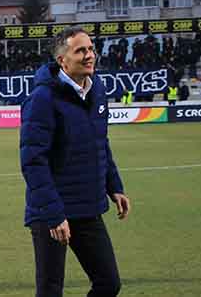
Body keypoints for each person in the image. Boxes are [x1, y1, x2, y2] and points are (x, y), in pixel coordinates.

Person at [20, 26, 129, 297]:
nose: (89, 55)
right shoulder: (42, 99)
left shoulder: (97, 89)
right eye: (80, 50)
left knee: (108, 283)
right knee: (50, 290)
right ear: (62, 60)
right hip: (51, 212)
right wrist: (54, 214)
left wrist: (114, 186)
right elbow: (33, 161)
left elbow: (99, 142)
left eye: (91, 49)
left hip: (87, 206)